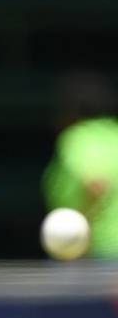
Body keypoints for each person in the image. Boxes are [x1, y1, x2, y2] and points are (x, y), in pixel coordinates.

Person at [42, 71, 118, 258]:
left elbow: (96, 183)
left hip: (103, 251)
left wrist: (82, 226)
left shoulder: (78, 137)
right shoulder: (114, 133)